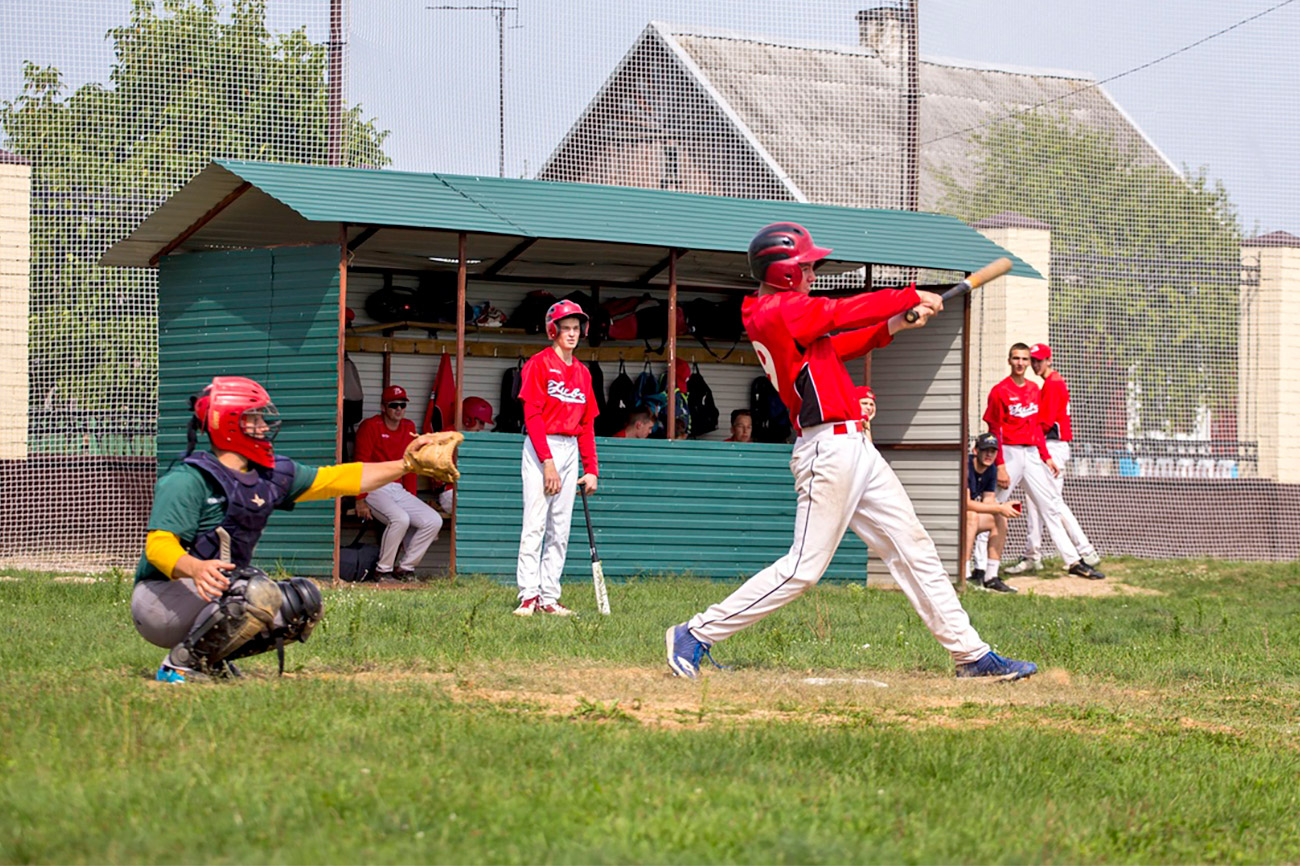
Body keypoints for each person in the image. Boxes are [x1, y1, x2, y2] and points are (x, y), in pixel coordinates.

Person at [666, 222, 1038, 681]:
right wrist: (908, 296)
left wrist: (895, 323)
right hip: (827, 449)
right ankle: (695, 633)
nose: (811, 273)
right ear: (783, 272)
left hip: (854, 445)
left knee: (914, 547)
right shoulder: (777, 311)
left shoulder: (781, 312)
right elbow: (839, 313)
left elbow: (839, 343)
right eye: (805, 266)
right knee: (803, 569)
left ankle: (971, 655)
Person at [132, 375, 443, 683]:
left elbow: (339, 479)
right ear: (229, 425)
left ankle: (207, 658)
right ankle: (179, 664)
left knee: (301, 604)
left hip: (212, 595)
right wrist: (195, 567)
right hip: (161, 601)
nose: (265, 426)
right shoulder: (189, 480)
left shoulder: (267, 474)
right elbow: (158, 547)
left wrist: (407, 464)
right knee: (253, 592)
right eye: (254, 418)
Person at [984, 343, 1105, 580]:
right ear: (1009, 361)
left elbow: (1041, 425)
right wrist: (1000, 463)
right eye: (1019, 358)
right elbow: (996, 427)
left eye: (1030, 360)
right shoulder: (1004, 390)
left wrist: (1046, 456)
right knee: (996, 505)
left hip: (1044, 448)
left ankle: (1077, 557)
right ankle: (984, 566)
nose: (1027, 363)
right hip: (1014, 451)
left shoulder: (1045, 386)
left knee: (1050, 504)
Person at [514, 300, 599, 617]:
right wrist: (547, 461)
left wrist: (591, 469)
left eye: (577, 328)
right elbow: (532, 415)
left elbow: (587, 425)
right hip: (542, 446)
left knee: (560, 528)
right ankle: (528, 595)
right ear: (553, 330)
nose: (572, 334)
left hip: (569, 448)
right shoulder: (538, 364)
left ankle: (549, 596)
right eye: (566, 328)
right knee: (535, 523)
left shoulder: (583, 373)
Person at [353, 384, 444, 581]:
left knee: (433, 520)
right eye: (394, 405)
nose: (398, 409)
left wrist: (412, 499)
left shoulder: (409, 427)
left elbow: (410, 467)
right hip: (374, 485)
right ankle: (383, 570)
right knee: (400, 519)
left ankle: (405, 568)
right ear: (383, 406)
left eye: (402, 405)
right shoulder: (371, 426)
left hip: (397, 488)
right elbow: (360, 464)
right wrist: (359, 498)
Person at [963, 433, 1022, 593]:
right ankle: (965, 574)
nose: (989, 454)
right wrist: (999, 507)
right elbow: (965, 503)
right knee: (972, 516)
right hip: (951, 515)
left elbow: (988, 501)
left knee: (1000, 518)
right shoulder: (966, 466)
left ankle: (991, 576)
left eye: (993, 451)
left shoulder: (991, 469)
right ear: (976, 451)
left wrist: (1003, 507)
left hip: (966, 515)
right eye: (985, 450)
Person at [436, 396, 494, 512]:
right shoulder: (446, 437)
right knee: (475, 508)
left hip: (470, 491)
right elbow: (438, 476)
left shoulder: (474, 438)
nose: (482, 428)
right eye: (481, 422)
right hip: (449, 492)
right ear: (468, 418)